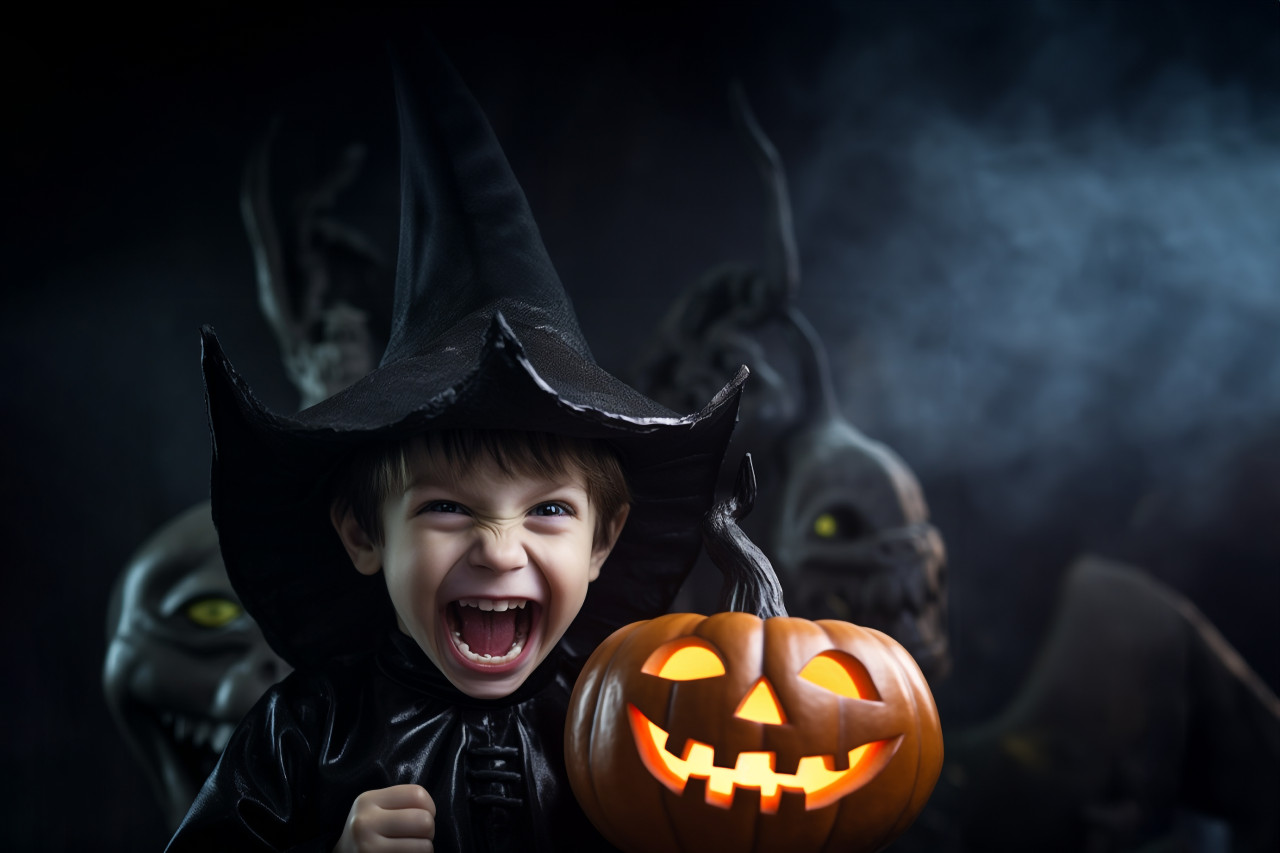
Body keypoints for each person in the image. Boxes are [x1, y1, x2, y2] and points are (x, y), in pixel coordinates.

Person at [164, 34, 745, 853]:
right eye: (445, 507)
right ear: (363, 533)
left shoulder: (633, 716)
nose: (498, 549)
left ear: (602, 541)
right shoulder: (305, 732)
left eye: (549, 510)